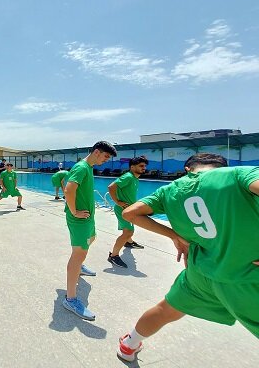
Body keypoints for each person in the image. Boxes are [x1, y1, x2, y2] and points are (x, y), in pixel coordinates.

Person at [117, 153, 259, 362]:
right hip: (247, 276)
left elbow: (130, 213)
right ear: (220, 167)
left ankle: (129, 345)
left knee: (165, 310)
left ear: (187, 169)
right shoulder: (238, 174)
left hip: (200, 273)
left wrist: (175, 236)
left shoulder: (169, 191)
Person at [62, 141, 117, 321]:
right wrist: (73, 211)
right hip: (79, 219)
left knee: (92, 238)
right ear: (96, 152)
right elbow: (69, 189)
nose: (106, 161)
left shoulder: (88, 167)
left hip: (87, 217)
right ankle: (70, 299)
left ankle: (79, 266)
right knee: (78, 254)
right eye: (106, 156)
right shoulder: (82, 167)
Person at [106, 156, 149, 269]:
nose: (143, 168)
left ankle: (129, 242)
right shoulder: (128, 177)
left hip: (129, 209)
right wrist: (118, 202)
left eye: (144, 166)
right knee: (128, 232)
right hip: (123, 210)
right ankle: (113, 255)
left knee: (129, 230)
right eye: (141, 166)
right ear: (132, 167)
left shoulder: (135, 178)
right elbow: (111, 187)